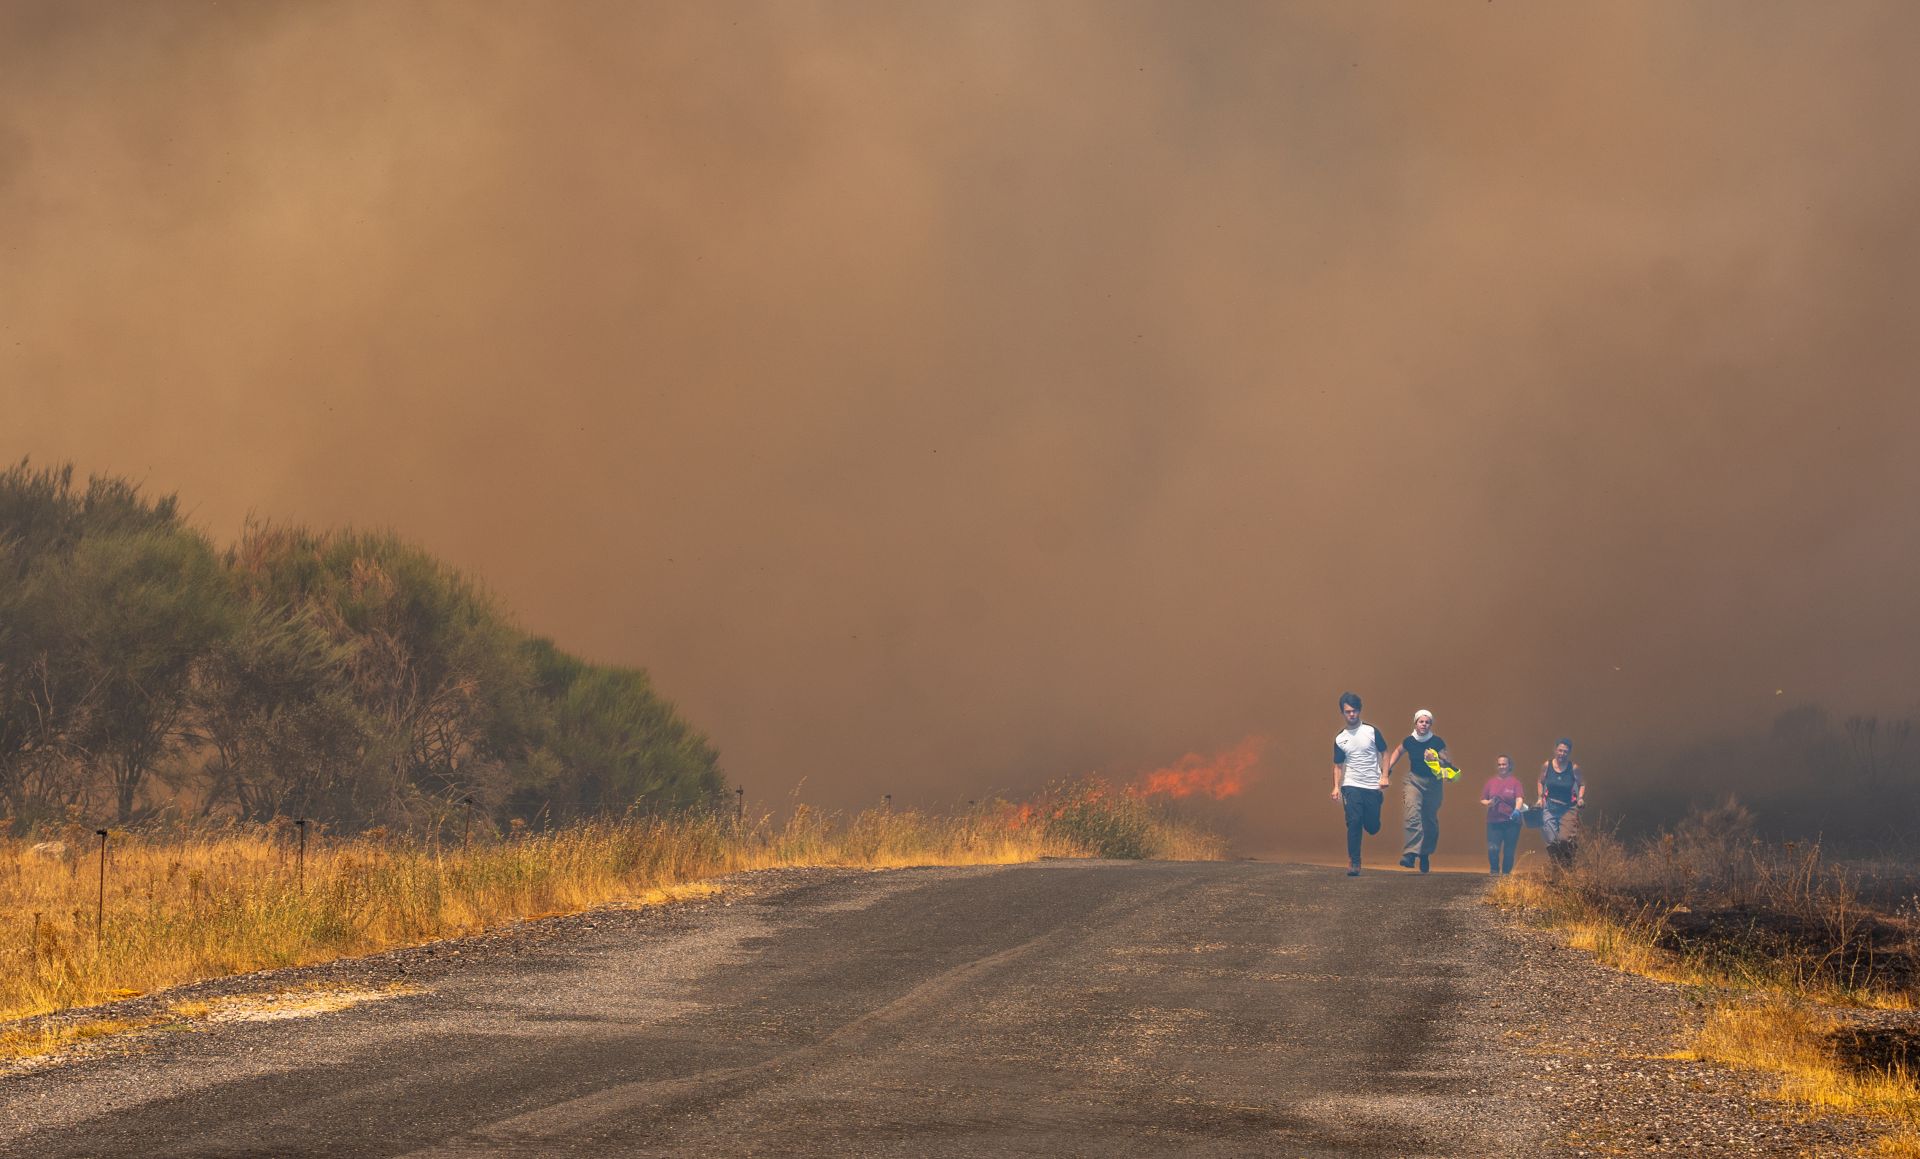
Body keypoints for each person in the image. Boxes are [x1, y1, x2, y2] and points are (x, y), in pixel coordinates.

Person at [1384, 708, 1451, 874]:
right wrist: (1387, 770)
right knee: (1411, 814)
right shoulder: (1409, 741)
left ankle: (1424, 853)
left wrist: (1437, 758)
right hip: (1414, 781)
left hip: (1434, 784)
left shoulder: (1437, 741)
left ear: (1430, 724)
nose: (1424, 724)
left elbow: (1448, 763)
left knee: (1429, 820)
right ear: (1415, 723)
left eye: (1427, 722)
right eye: (1421, 721)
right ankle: (1410, 854)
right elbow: (1398, 751)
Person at [1329, 691, 1389, 876]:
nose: (1351, 714)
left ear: (1359, 711)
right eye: (1347, 711)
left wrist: (1384, 775)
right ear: (1343, 713)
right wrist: (1336, 787)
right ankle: (1354, 861)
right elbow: (1338, 765)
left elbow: (1385, 753)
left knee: (1372, 827)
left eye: (1354, 711)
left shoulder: (1371, 731)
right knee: (1354, 821)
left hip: (1372, 786)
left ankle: (1376, 805)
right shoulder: (1340, 738)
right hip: (1351, 784)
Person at [1537, 738, 1584, 865]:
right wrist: (1540, 798)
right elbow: (1540, 782)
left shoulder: (1573, 768)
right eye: (1560, 750)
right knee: (1551, 841)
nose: (1562, 754)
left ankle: (1569, 865)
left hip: (1568, 807)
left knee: (1564, 839)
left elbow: (1582, 784)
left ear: (1569, 752)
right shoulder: (1547, 765)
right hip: (1550, 806)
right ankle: (1556, 868)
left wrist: (1580, 798)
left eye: (1565, 751)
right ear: (1555, 750)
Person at [1481, 754, 1524, 876]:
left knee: (1509, 850)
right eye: (1499, 764)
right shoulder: (1491, 782)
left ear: (1509, 766)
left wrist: (1516, 810)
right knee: (1493, 848)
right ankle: (1494, 870)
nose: (1501, 767)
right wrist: (1488, 803)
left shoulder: (1515, 782)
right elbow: (1483, 799)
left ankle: (1506, 873)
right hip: (1494, 821)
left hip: (1511, 821)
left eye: (1504, 764)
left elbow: (1519, 798)